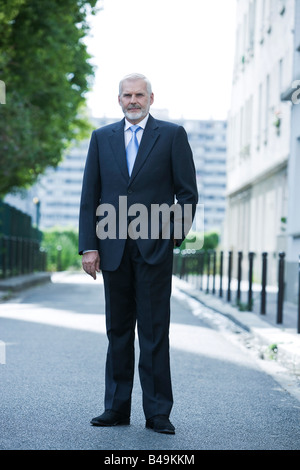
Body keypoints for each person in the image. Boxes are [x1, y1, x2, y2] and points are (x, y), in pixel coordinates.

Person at [79, 73, 198, 434]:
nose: (133, 100)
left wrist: (170, 240)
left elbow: (187, 196)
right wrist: (89, 246)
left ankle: (158, 412)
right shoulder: (101, 138)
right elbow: (90, 196)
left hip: (153, 250)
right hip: (112, 248)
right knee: (117, 330)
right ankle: (115, 408)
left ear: (151, 98)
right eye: (127, 95)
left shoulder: (172, 135)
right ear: (119, 100)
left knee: (153, 331)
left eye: (139, 95)